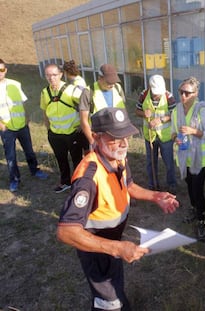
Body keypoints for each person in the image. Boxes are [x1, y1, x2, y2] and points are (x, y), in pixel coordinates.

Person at [57, 107, 179, 311]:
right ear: (96, 137)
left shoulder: (117, 156)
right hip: (97, 250)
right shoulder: (88, 177)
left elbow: (128, 185)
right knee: (108, 302)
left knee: (116, 291)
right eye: (115, 138)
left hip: (112, 245)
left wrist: (155, 196)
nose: (124, 143)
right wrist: (117, 248)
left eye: (127, 136)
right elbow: (66, 232)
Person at [171, 76, 205, 241]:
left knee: (197, 189)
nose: (183, 96)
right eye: (181, 92)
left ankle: (201, 219)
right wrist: (176, 137)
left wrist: (193, 131)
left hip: (200, 159)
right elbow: (173, 132)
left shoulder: (202, 110)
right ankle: (193, 208)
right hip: (184, 157)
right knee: (189, 187)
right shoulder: (176, 111)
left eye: (187, 93)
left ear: (196, 93)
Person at [0, 58, 48, 192]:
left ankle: (35, 170)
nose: (0, 72)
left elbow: (22, 102)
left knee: (29, 150)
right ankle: (14, 179)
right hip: (6, 128)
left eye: (2, 69)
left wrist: (26, 117)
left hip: (22, 125)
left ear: (6, 70)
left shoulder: (15, 84)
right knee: (10, 155)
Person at [40, 63, 84, 193]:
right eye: (48, 75)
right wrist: (49, 129)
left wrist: (83, 124)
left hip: (72, 133)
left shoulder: (72, 90)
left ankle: (78, 183)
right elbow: (44, 111)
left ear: (60, 74)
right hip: (55, 134)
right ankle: (65, 182)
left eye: (54, 75)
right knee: (61, 159)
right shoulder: (45, 92)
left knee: (77, 160)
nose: (51, 78)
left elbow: (86, 105)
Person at [135, 74, 177, 192]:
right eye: (155, 93)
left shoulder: (169, 96)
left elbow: (175, 114)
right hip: (150, 136)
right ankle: (153, 184)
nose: (157, 95)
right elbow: (136, 110)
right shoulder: (144, 95)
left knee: (169, 162)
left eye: (159, 93)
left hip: (165, 137)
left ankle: (172, 183)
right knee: (151, 162)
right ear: (150, 88)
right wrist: (144, 114)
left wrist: (161, 120)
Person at [79, 64, 126, 147]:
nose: (112, 85)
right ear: (100, 78)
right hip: (99, 138)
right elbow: (84, 121)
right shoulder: (88, 92)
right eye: (108, 82)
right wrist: (93, 141)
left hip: (118, 136)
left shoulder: (118, 88)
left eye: (114, 82)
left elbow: (123, 113)